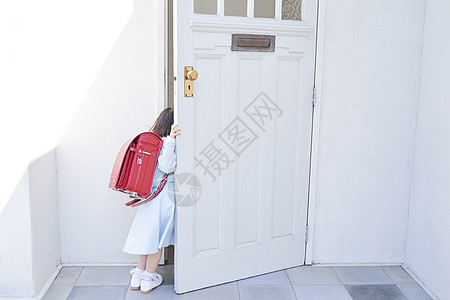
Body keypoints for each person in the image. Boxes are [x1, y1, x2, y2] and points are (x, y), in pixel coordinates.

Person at [122, 107, 180, 294]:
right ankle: (148, 279)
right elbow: (166, 166)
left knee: (147, 237)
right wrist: (172, 140)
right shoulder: (166, 143)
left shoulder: (151, 143)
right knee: (157, 240)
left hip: (149, 197)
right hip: (162, 199)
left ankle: (138, 276)